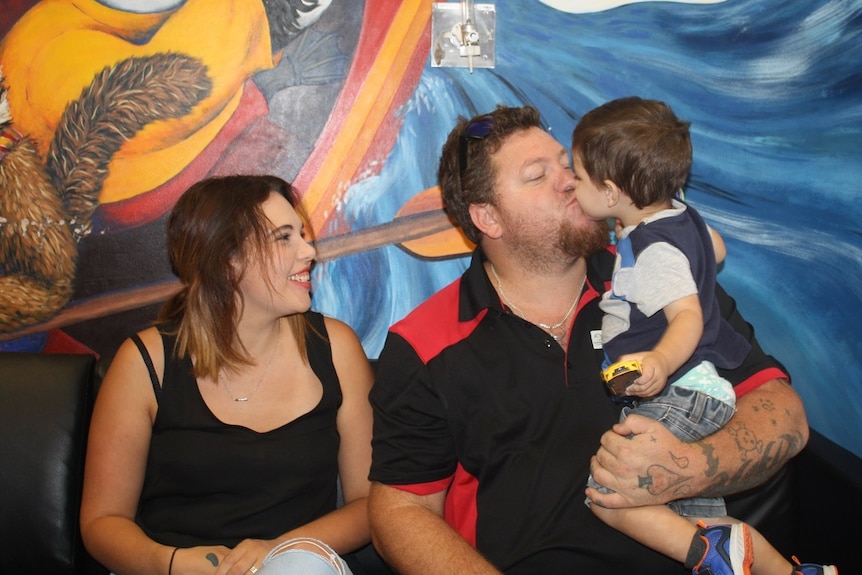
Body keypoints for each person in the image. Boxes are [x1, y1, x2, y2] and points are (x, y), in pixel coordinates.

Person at [366, 104, 813, 574]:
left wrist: (685, 466)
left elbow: (785, 415)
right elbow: (400, 510)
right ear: (488, 218)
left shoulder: (662, 275)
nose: (569, 181)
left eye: (566, 163)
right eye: (538, 176)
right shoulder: (424, 344)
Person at [571, 97, 836, 575]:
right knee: (696, 516)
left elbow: (688, 318)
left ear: (610, 193)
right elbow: (714, 249)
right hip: (704, 390)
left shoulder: (652, 252)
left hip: (682, 389)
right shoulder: (678, 215)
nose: (569, 183)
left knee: (608, 493)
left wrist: (660, 361)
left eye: (577, 175)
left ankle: (706, 554)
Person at [80, 175, 375, 575]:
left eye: (302, 235)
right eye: (283, 238)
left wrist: (277, 550)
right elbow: (102, 522)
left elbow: (371, 505)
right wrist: (172, 563)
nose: (309, 251)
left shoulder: (336, 349)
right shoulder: (146, 362)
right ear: (227, 260)